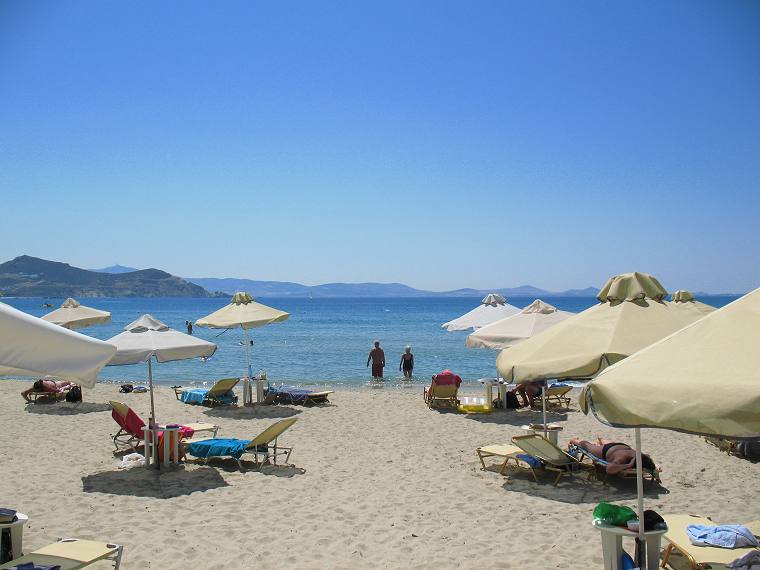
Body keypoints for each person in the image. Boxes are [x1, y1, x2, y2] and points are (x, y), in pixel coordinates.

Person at [569, 437, 657, 475]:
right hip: (606, 450)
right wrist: (628, 465)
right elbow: (609, 470)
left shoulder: (640, 455)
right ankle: (574, 440)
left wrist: (656, 466)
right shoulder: (622, 460)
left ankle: (601, 440)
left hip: (621, 446)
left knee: (596, 444)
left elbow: (648, 457)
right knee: (585, 445)